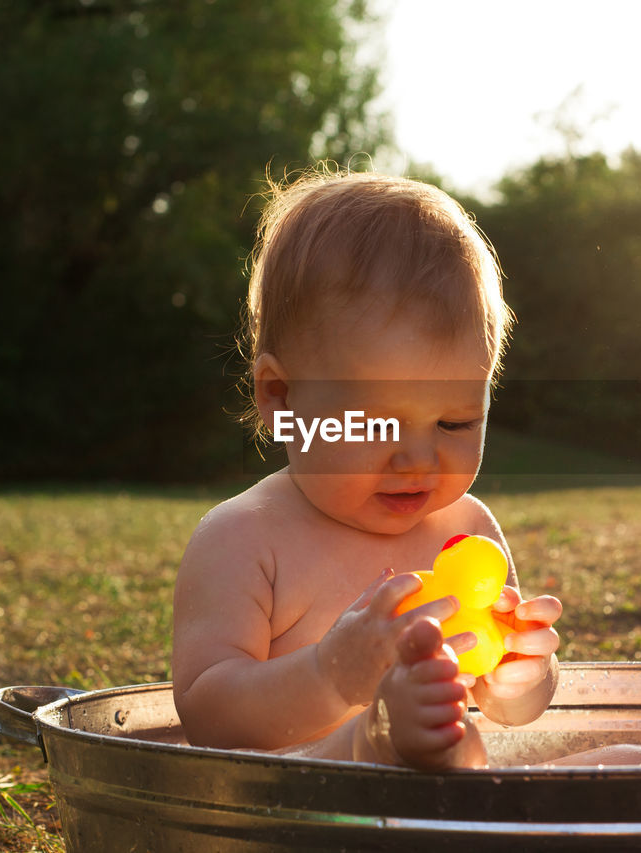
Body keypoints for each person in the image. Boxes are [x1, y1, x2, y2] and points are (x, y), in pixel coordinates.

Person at [171, 168, 556, 770]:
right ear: (281, 399)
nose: (418, 459)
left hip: (455, 797)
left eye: (454, 424)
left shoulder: (465, 526)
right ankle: (391, 749)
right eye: (377, 425)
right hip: (302, 810)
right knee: (415, 748)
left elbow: (510, 713)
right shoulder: (244, 539)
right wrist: (332, 676)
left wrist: (520, 676)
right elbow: (206, 718)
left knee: (634, 759)